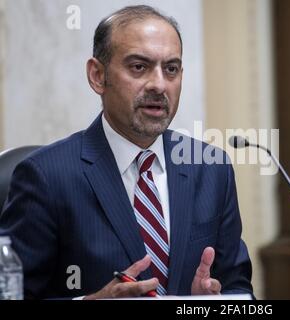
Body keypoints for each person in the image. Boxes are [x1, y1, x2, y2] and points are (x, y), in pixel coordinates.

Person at [0, 5, 253, 299]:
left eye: (171, 69)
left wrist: (209, 302)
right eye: (139, 67)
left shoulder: (211, 168)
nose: (159, 84)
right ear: (97, 75)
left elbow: (238, 288)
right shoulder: (45, 176)